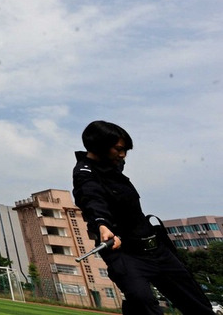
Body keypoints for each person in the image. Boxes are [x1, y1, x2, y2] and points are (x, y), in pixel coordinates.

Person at [73, 121, 213, 315]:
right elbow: (91, 199)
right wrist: (102, 225)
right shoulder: (85, 174)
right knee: (141, 301)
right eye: (118, 149)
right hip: (126, 253)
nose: (122, 155)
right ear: (99, 145)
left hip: (158, 249)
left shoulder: (114, 165)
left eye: (125, 151)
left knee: (198, 305)